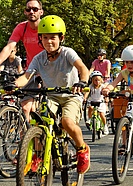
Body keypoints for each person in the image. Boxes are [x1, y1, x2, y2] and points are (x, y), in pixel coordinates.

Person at [14, 15, 90, 174]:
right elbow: (26, 77)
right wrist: (13, 85)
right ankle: (38, 157)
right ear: (40, 39)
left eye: (53, 38)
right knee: (39, 123)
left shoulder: (67, 53)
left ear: (61, 38)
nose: (49, 41)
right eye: (45, 37)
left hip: (71, 95)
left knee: (67, 122)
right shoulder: (38, 58)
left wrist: (82, 82)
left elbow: (82, 68)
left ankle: (82, 149)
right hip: (51, 96)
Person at [0, 0, 44, 121]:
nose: (31, 12)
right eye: (28, 9)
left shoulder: (46, 26)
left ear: (41, 12)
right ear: (25, 12)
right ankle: (27, 138)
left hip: (49, 70)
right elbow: (9, 47)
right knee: (25, 108)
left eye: (35, 9)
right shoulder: (21, 28)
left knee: (47, 110)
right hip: (31, 71)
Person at [84, 71, 109, 135]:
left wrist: (106, 98)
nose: (97, 82)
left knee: (101, 114)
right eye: (95, 80)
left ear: (101, 80)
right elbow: (87, 93)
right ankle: (89, 119)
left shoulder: (102, 87)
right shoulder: (90, 86)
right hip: (92, 101)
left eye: (98, 80)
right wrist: (84, 98)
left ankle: (105, 125)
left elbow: (105, 93)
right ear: (92, 80)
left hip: (100, 102)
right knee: (90, 108)